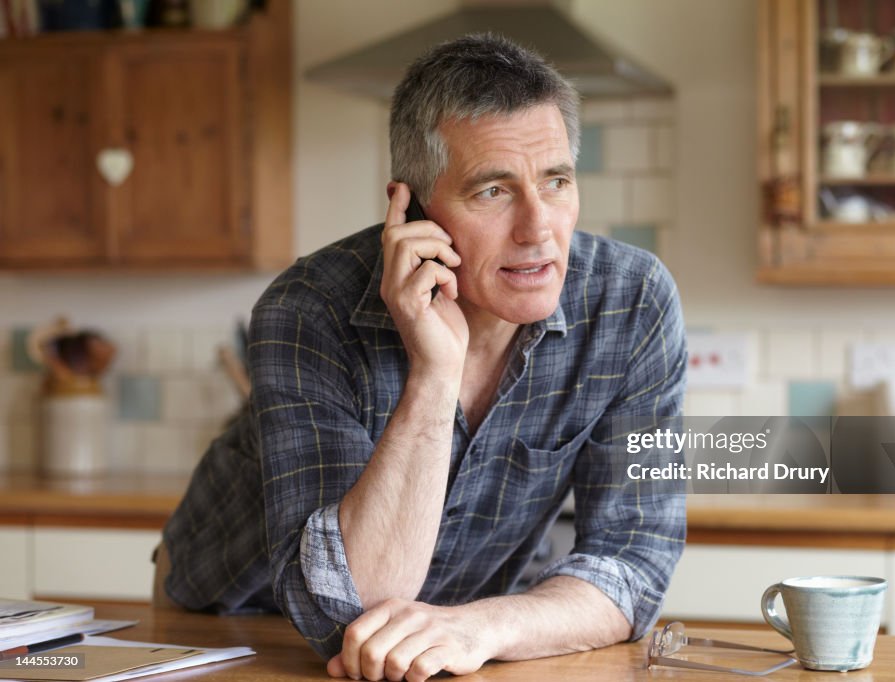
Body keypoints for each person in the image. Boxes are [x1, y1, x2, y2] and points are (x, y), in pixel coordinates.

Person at [159, 33, 687, 682]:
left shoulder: (631, 302)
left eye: (555, 181)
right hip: (232, 630)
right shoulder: (308, 310)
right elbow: (344, 613)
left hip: (452, 640)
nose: (538, 229)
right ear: (409, 207)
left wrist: (484, 625)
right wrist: (435, 374)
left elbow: (636, 561)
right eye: (493, 191)